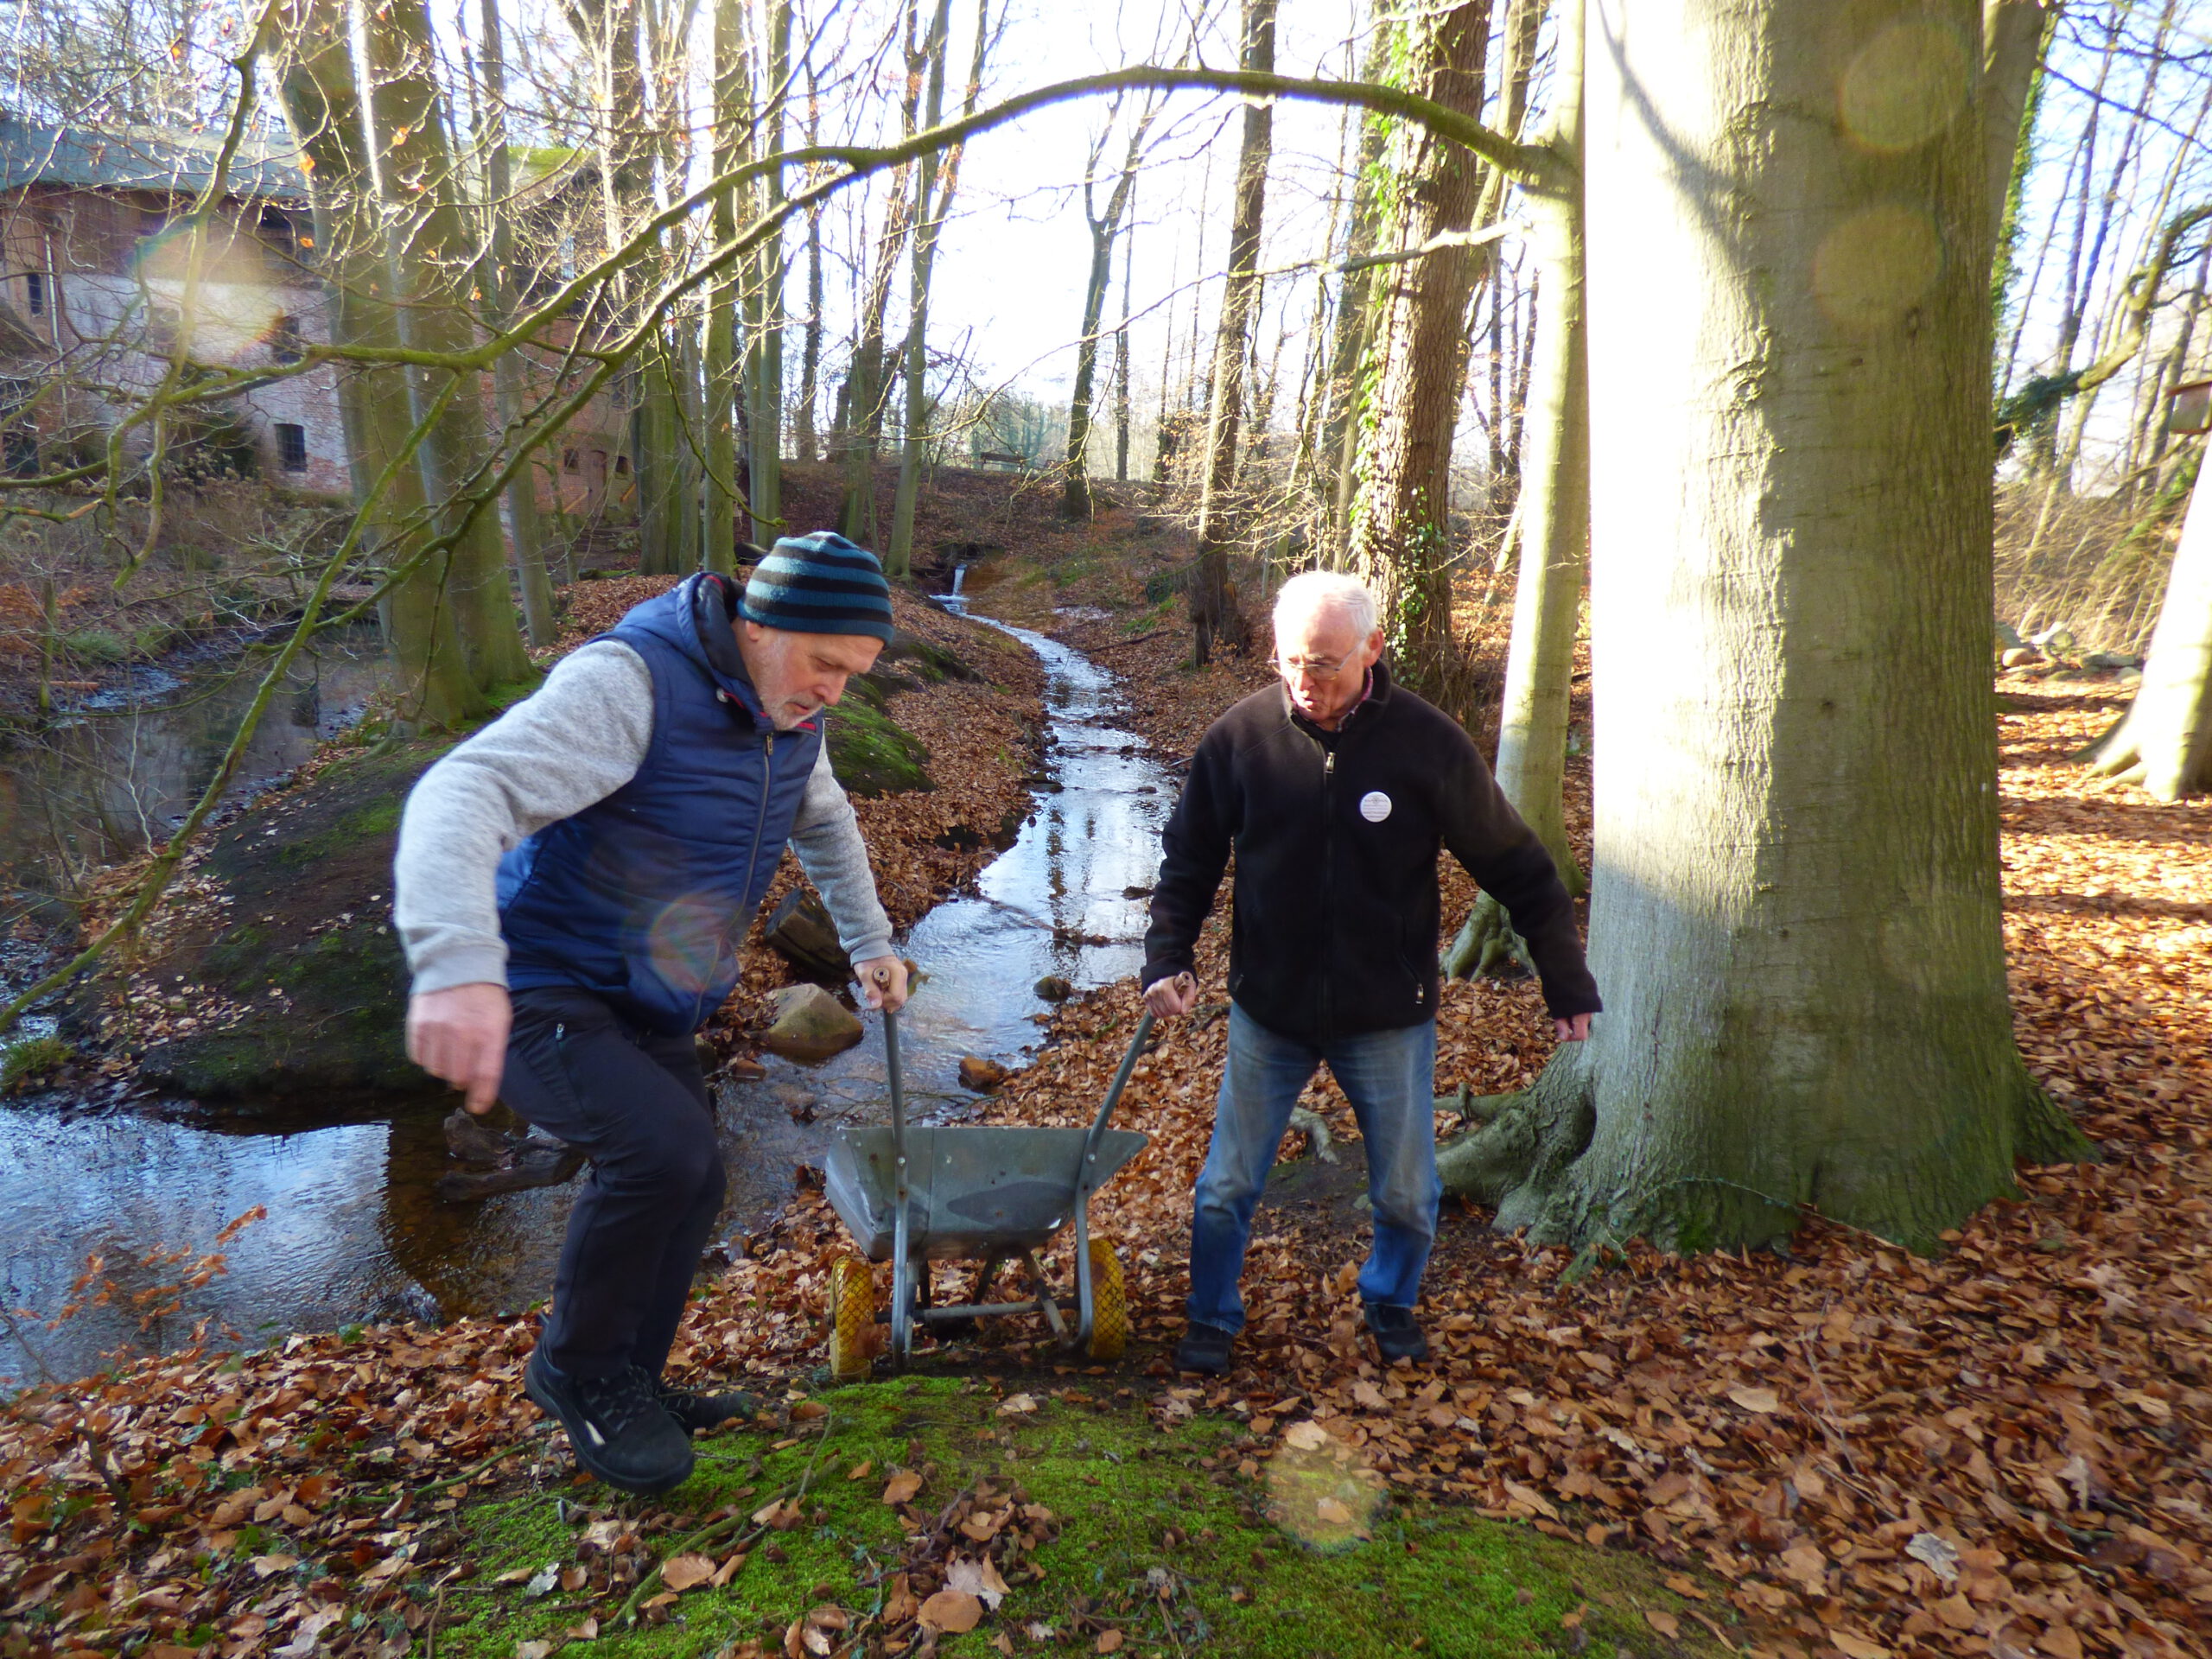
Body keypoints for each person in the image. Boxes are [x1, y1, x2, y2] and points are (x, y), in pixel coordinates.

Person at [394, 532, 911, 1494]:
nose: (836, 690)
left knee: (697, 1177)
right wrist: (453, 961)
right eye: (825, 663)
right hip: (533, 980)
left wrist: (873, 944)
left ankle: (633, 1378)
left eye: (856, 673)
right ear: (760, 623)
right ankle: (576, 1370)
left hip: (653, 995)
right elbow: (466, 788)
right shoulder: (630, 682)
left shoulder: (792, 717)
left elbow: (826, 820)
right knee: (659, 1153)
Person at [1140, 570, 1600, 1376]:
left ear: (1373, 649)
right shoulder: (1241, 740)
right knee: (1224, 1188)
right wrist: (1167, 958)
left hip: (1388, 1013)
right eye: (1290, 663)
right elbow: (1189, 859)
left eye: (1324, 664)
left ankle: (1390, 1300)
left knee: (1406, 1196)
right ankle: (1211, 1315)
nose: (1306, 683)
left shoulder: (1426, 743)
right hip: (1269, 1010)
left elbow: (1520, 868)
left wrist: (1566, 981)